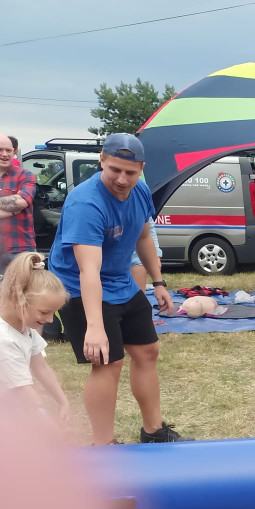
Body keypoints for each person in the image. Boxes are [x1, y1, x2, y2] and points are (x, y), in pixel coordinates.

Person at [47, 133, 190, 445]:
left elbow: (142, 236)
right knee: (107, 362)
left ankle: (153, 431)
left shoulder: (140, 190)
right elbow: (88, 270)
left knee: (147, 351)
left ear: (141, 168)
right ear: (101, 161)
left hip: (119, 280)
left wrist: (159, 281)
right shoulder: (86, 203)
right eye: (114, 170)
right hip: (79, 285)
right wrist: (95, 327)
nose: (122, 179)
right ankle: (103, 445)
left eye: (130, 172)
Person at [0, 252, 70, 425]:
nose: (50, 320)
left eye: (54, 312)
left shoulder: (25, 328)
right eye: (44, 312)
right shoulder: (5, 339)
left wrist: (62, 401)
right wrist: (47, 426)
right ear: (19, 299)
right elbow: (23, 392)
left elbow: (41, 367)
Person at [0, 134, 35, 275]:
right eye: (0, 150)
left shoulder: (26, 175)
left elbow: (22, 201)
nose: (4, 154)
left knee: (23, 295)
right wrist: (12, 207)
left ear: (15, 152)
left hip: (20, 250)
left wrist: (18, 205)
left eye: (8, 150)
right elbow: (16, 204)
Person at [130, 217, 162, 291]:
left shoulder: (142, 208)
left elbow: (147, 235)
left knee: (137, 295)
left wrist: (156, 256)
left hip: (135, 259)